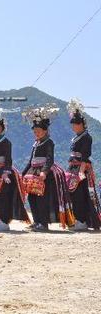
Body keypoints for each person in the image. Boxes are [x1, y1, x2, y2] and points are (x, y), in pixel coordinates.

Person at [21, 105, 71, 232]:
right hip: (33, 172)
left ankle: (43, 223)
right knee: (32, 197)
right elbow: (31, 160)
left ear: (44, 131)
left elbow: (50, 159)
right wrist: (23, 173)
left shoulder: (49, 142)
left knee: (41, 198)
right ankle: (36, 221)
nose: (36, 133)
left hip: (44, 174)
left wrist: (44, 171)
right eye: (35, 131)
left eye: (38, 131)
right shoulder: (35, 144)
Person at [0, 100, 29, 231]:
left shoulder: (6, 142)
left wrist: (6, 172)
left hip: (2, 172)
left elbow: (8, 159)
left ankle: (4, 220)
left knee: (3, 198)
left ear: (1, 127)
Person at [65, 99, 101, 231]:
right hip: (72, 168)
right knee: (73, 194)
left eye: (75, 124)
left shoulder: (87, 137)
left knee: (81, 194)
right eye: (73, 125)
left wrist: (81, 171)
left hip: (82, 169)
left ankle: (83, 220)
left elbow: (85, 156)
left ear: (81, 124)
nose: (73, 127)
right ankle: (78, 219)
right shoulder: (75, 137)